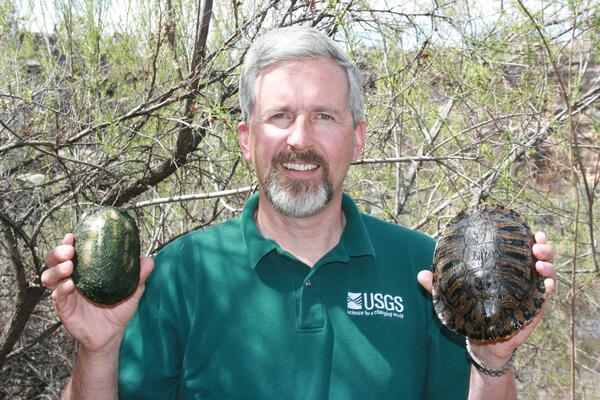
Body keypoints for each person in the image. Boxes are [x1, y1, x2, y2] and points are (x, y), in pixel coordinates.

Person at [42, 26, 556, 400]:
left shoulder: (428, 272)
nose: (300, 140)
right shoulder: (178, 273)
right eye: (280, 116)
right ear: (247, 139)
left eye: (325, 117)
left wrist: (492, 359)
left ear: (357, 137)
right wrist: (99, 349)